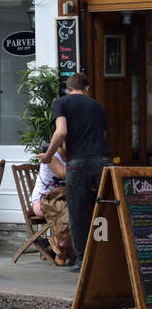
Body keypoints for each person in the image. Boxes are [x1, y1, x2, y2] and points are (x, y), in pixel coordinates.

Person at [38, 73, 111, 272]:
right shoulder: (97, 106)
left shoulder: (61, 102)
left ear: (67, 90)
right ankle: (108, 257)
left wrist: (48, 156)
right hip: (103, 161)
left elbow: (61, 131)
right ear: (87, 89)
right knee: (107, 209)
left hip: (77, 163)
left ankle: (83, 262)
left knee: (78, 213)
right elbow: (103, 137)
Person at [30, 148, 72, 265]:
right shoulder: (51, 157)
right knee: (71, 210)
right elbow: (64, 175)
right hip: (43, 201)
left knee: (80, 207)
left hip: (61, 199)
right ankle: (60, 245)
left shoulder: (70, 156)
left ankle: (58, 246)